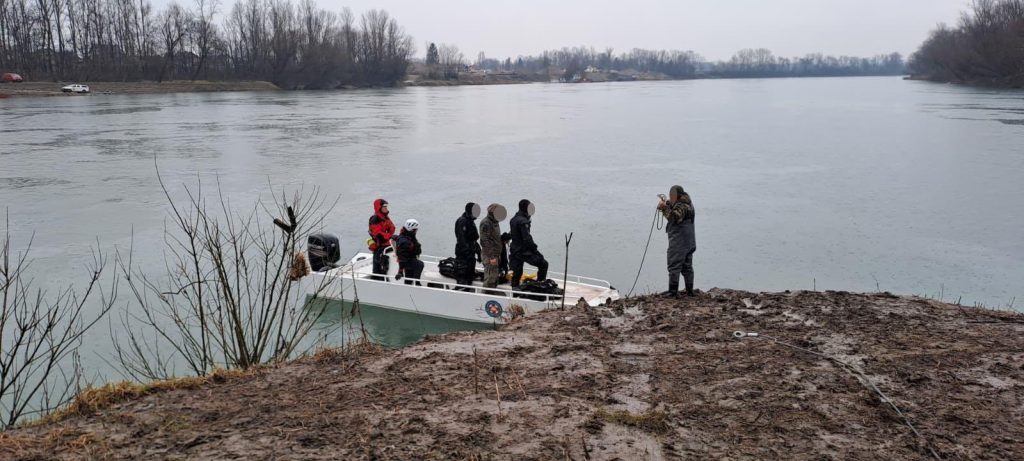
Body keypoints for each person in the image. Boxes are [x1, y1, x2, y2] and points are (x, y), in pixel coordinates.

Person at [658, 185, 696, 297]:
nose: (671, 197)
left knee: (674, 266)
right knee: (687, 267)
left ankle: (673, 292)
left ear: (677, 195)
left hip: (679, 242)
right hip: (689, 242)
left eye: (672, 195)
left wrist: (664, 208)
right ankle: (690, 291)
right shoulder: (687, 202)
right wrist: (666, 204)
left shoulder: (683, 206)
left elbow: (674, 217)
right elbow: (675, 206)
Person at [509, 199, 548, 288]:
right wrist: (535, 250)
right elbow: (527, 239)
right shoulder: (523, 221)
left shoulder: (513, 219)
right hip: (523, 251)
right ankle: (540, 286)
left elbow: (513, 234)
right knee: (544, 264)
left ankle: (514, 291)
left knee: (517, 273)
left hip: (514, 250)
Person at [478, 204, 507, 289]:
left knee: (494, 278)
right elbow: (484, 241)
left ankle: (492, 292)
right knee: (490, 280)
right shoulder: (486, 223)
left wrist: (502, 239)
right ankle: (486, 296)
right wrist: (491, 257)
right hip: (490, 256)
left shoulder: (495, 222)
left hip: (496, 254)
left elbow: (493, 237)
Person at [454, 202, 482, 286]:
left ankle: (467, 286)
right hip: (464, 256)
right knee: (463, 278)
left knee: (469, 277)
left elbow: (473, 240)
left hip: (470, 254)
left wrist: (478, 252)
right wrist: (468, 251)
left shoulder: (470, 221)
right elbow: (461, 239)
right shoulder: (462, 221)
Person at [368, 198, 395, 279]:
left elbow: (392, 228)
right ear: (379, 207)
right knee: (379, 267)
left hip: (386, 245)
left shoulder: (385, 217)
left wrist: (388, 235)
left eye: (386, 207)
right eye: (384, 207)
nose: (386, 208)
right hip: (379, 246)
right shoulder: (375, 219)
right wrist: (389, 236)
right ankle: (378, 279)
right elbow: (379, 235)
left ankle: (385, 277)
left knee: (387, 262)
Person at [394, 219, 423, 285]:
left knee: (411, 271)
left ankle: (408, 284)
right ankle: (417, 283)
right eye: (415, 230)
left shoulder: (409, 236)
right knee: (420, 265)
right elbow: (401, 257)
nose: (416, 231)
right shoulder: (405, 242)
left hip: (409, 258)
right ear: (411, 230)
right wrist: (400, 271)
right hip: (405, 261)